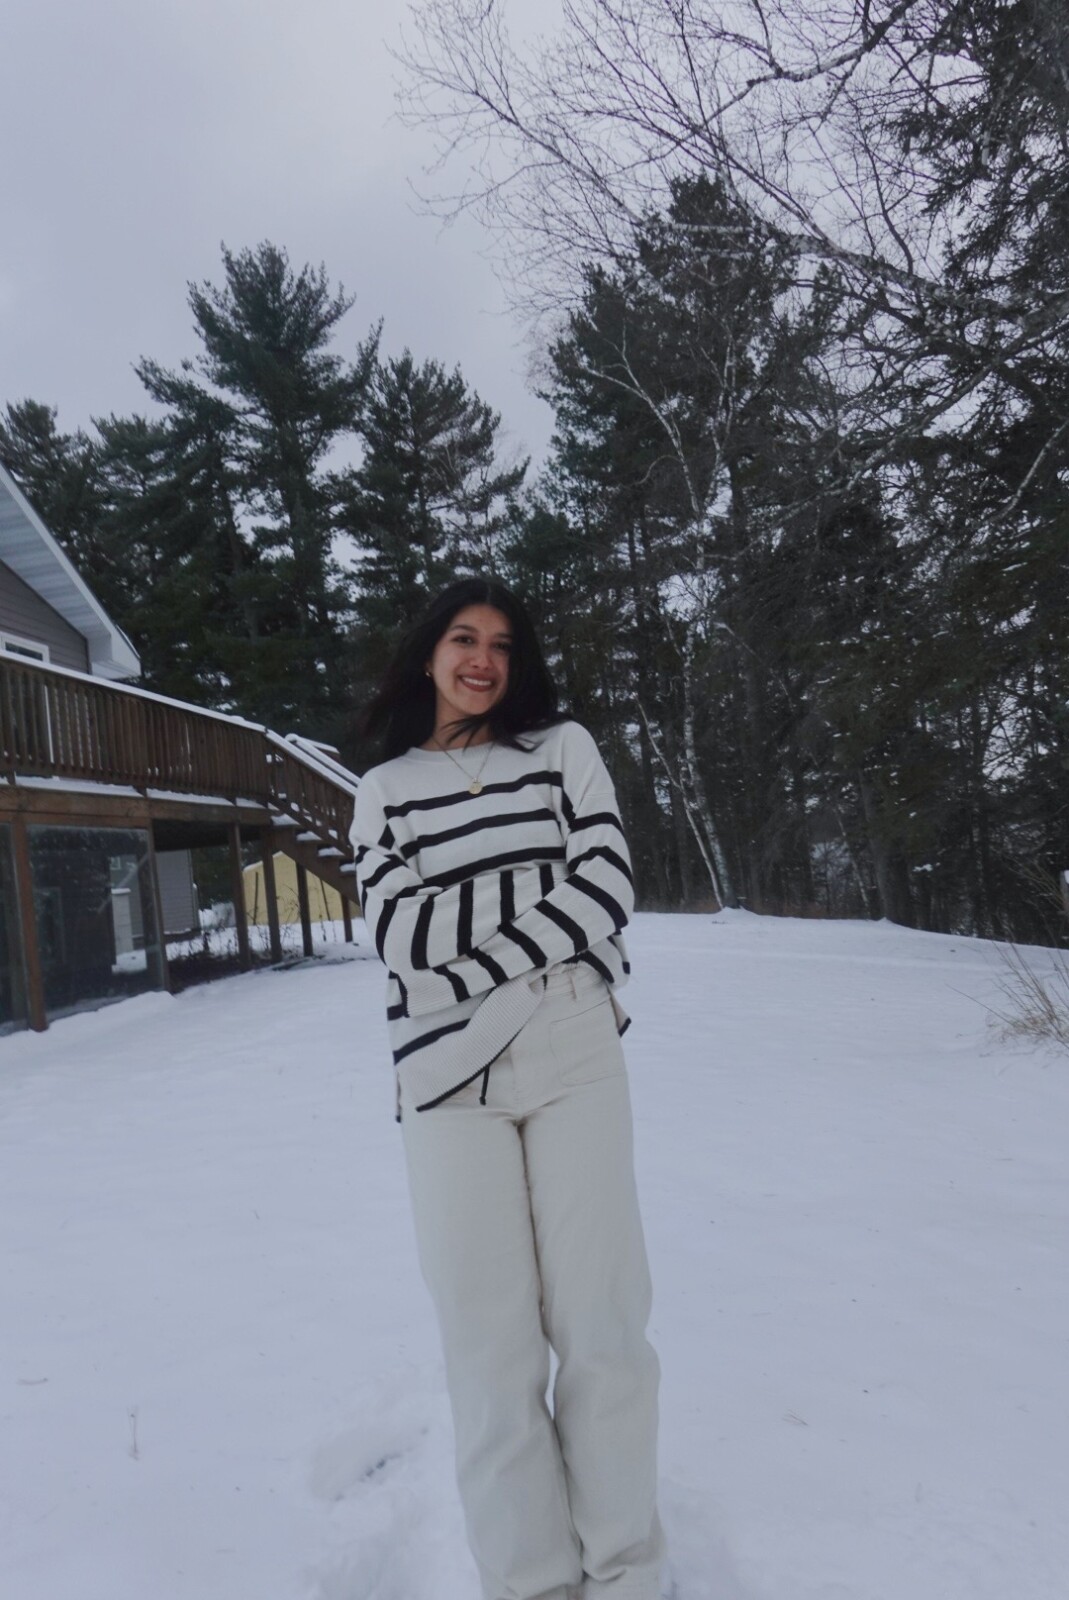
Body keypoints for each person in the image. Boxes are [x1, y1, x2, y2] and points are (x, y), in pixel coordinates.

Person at [349, 578, 664, 1600]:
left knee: (603, 1329)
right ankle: (531, 1584)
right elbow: (404, 941)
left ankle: (625, 1572)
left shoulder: (561, 750)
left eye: (501, 643)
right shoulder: (382, 789)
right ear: (428, 653)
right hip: (444, 1077)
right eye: (462, 638)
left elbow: (608, 883)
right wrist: (543, 904)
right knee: (488, 1351)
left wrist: (467, 948)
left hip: (573, 1044)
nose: (482, 659)